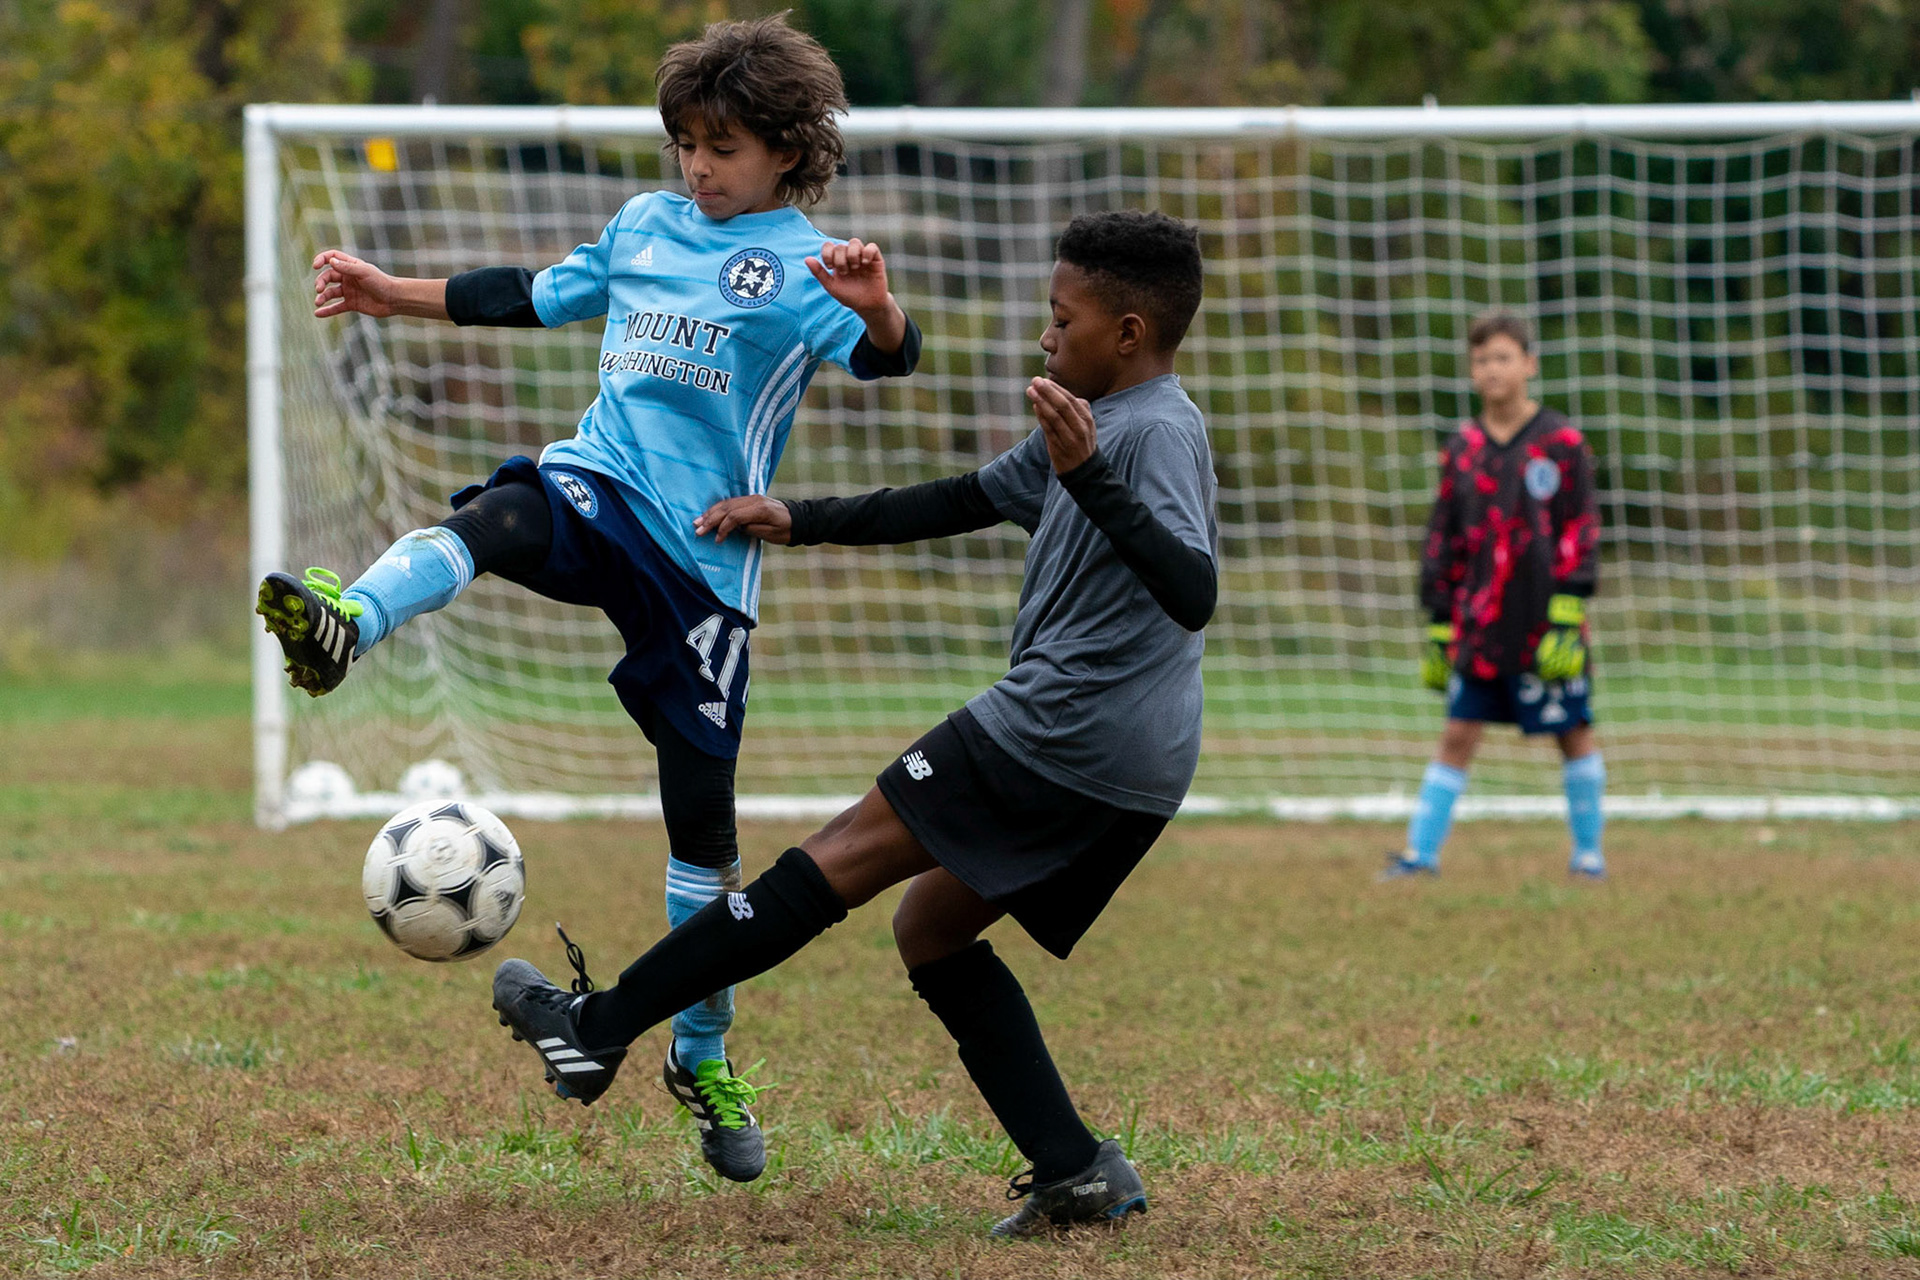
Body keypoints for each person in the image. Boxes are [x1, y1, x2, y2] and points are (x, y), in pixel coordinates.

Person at [256, 14, 923, 1182]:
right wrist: (383, 292)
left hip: (703, 566)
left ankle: (699, 1051)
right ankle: (345, 624)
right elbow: (530, 295)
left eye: (723, 147)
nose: (699, 167)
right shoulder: (645, 226)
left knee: (703, 836)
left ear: (785, 150)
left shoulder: (807, 263)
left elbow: (889, 359)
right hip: (597, 484)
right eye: (686, 145)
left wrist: (874, 307)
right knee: (501, 512)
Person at [490, 209, 1217, 1235]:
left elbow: (1193, 589)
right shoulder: (1087, 427)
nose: (1047, 338)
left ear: (1131, 333)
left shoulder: (1152, 433)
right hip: (1130, 761)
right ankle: (1075, 1169)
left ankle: (596, 1029)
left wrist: (1088, 473)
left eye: (1063, 320)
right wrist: (800, 517)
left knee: (832, 860)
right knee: (931, 927)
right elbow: (960, 499)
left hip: (1062, 728)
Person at [1381, 311, 1605, 881]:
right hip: (1480, 624)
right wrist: (1437, 621)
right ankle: (1420, 856)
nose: (1491, 369)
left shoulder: (1563, 443)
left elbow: (1580, 527)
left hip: (1544, 621)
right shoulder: (1462, 448)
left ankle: (1588, 857)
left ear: (1529, 364)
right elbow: (1444, 538)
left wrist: (1569, 612)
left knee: (1573, 732)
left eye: (1503, 357)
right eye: (1480, 360)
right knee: (1458, 733)